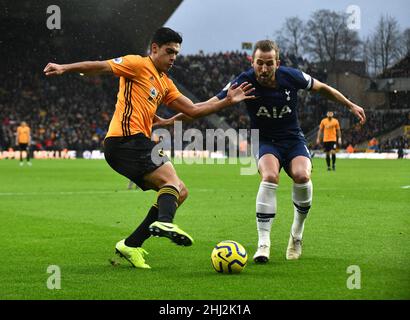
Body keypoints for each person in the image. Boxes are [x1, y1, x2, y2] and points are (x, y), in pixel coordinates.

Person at [43, 27, 254, 269]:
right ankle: (164, 222)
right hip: (124, 140)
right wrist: (64, 68)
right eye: (169, 51)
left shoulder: (165, 83)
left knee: (180, 192)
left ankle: (131, 245)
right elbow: (99, 66)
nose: (173, 57)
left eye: (176, 53)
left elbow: (194, 110)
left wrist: (227, 101)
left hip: (138, 142)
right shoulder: (137, 64)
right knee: (171, 185)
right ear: (154, 48)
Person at [164, 40, 366, 263]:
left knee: (302, 176)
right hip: (265, 141)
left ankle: (296, 235)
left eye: (269, 63)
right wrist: (169, 121)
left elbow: (323, 89)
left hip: (293, 139)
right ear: (253, 61)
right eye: (259, 63)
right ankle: (264, 244)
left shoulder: (292, 76)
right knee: (270, 176)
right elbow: (203, 106)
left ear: (277, 63)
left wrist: (350, 105)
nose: (264, 68)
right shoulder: (243, 82)